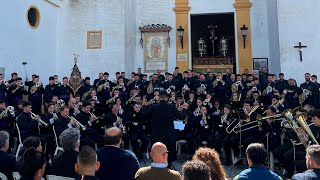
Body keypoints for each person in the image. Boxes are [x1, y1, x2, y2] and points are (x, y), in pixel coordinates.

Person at [144, 90, 177, 165]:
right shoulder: (171, 106)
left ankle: (156, 165)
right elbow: (180, 116)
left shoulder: (154, 107)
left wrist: (144, 105)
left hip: (157, 133)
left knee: (157, 150)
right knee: (168, 151)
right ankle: (168, 166)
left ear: (159, 97)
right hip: (168, 134)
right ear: (167, 98)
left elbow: (145, 116)